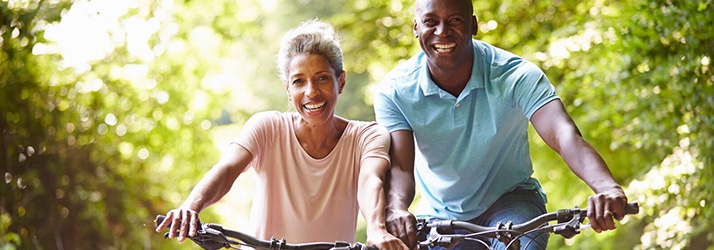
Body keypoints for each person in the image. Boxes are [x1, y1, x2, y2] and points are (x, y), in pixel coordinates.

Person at [373, 0, 629, 249]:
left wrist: (607, 187)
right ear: (416, 27)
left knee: (518, 244)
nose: (442, 31)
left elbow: (564, 135)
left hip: (512, 200)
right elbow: (400, 168)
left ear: (473, 25)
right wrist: (395, 208)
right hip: (440, 214)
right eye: (430, 21)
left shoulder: (515, 75)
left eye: (455, 20)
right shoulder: (396, 91)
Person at [156, 19, 407, 250]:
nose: (311, 92)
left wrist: (376, 228)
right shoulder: (267, 128)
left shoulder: (367, 136)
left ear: (340, 82)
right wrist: (191, 205)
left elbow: (370, 181)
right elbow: (227, 169)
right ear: (288, 89)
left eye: (321, 78)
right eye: (299, 81)